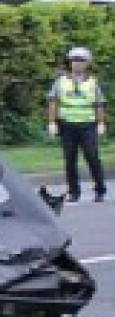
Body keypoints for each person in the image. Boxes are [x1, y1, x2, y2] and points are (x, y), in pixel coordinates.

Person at [48, 46, 107, 203]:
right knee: (70, 159)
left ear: (87, 63)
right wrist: (52, 122)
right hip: (67, 125)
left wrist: (101, 123)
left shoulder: (92, 83)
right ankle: (74, 192)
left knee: (92, 156)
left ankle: (100, 190)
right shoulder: (60, 81)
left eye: (81, 61)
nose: (77, 64)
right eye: (75, 60)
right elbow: (53, 102)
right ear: (70, 62)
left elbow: (99, 104)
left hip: (87, 124)